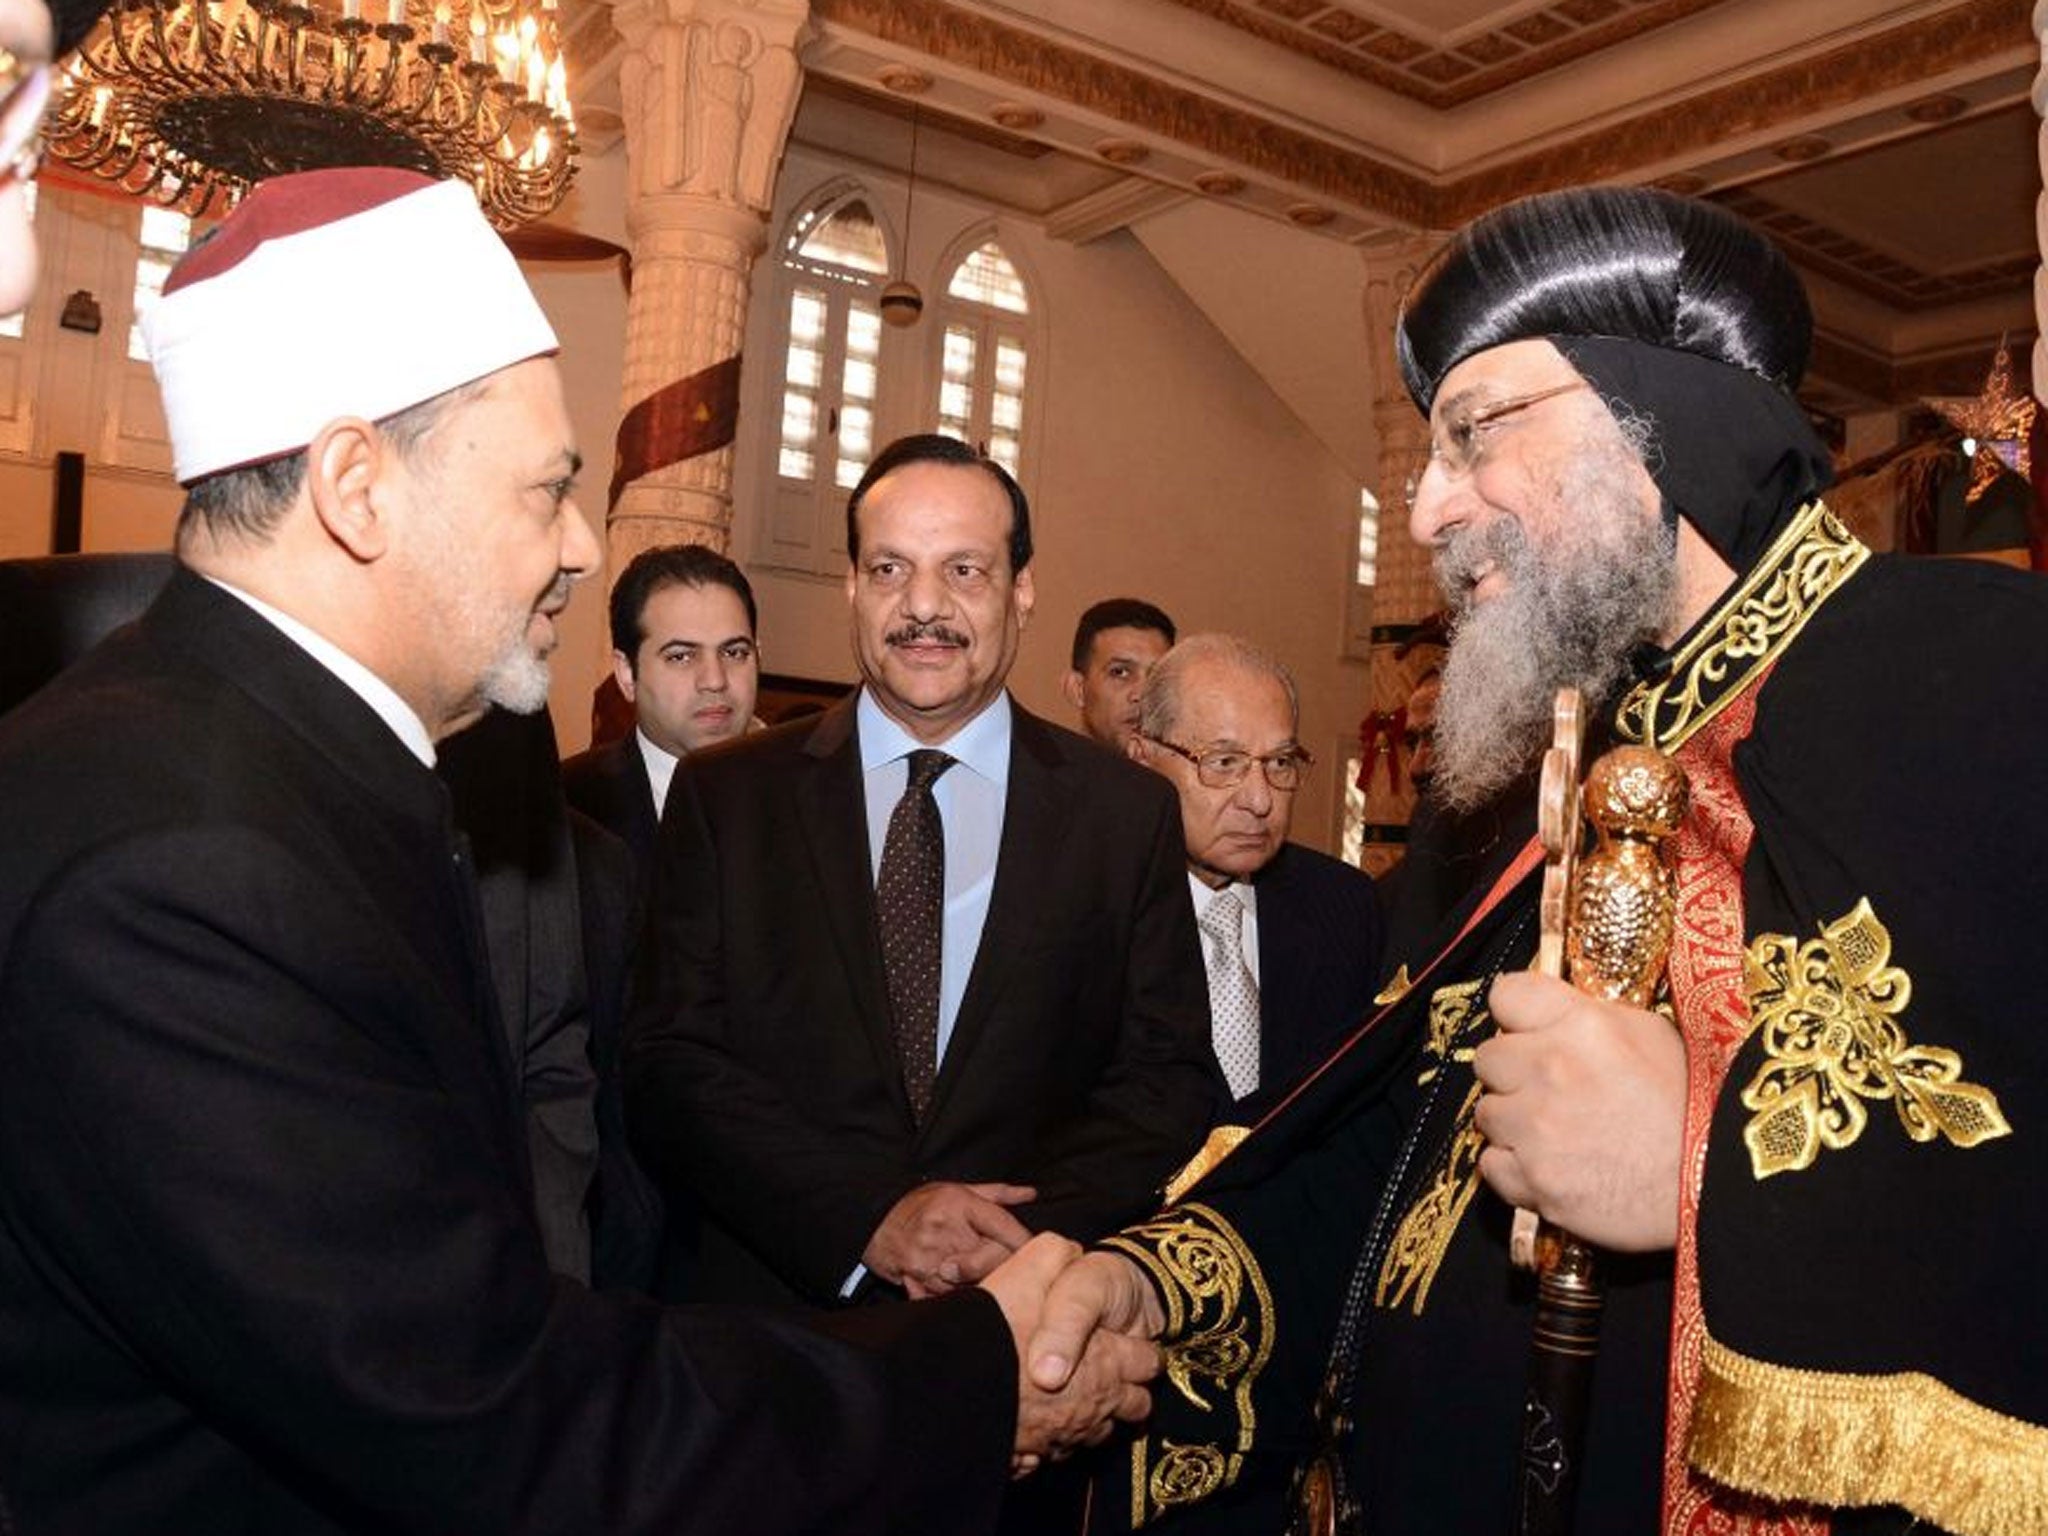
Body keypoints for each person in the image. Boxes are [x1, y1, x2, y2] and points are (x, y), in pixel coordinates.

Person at [0, 168, 1155, 1535]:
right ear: (358, 488)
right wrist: (968, 1375)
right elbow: (485, 1411)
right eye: (548, 489)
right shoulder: (184, 870)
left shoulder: (260, 760)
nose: (580, 543)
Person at [1027, 185, 2048, 1536]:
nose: (1428, 513)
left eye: (1474, 434)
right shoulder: (1530, 786)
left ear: (1657, 423)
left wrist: (1693, 1169)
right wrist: (1162, 1286)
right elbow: (1398, 1157)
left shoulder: (1974, 672)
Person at [627, 431, 1214, 1310]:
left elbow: (1165, 1077)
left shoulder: (1123, 814)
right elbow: (671, 1063)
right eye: (892, 569)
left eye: (965, 571)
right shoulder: (727, 798)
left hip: (1021, 1323)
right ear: (854, 587)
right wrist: (866, 1218)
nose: (925, 607)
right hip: (770, 1331)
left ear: (1022, 591)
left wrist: (1006, 1243)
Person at [1130, 633, 1382, 1124]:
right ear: (1143, 759)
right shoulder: (1085, 911)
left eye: (1279, 763)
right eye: (1224, 763)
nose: (1260, 800)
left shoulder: (1346, 909)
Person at [564, 541, 760, 886]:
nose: (714, 680)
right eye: (681, 656)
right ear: (627, 675)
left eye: (734, 652)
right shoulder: (566, 809)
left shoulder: (810, 806)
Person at [1063, 595, 1175, 750]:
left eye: (1156, 675)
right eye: (1120, 672)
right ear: (1078, 689)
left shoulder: (1190, 772)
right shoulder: (1030, 772)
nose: (1142, 694)